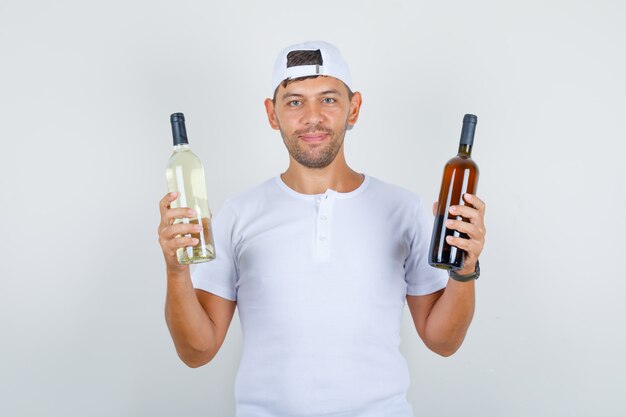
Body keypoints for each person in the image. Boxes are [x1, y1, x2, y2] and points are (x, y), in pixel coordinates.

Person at [157, 41, 487, 417]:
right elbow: (196, 352)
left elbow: (443, 342)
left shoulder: (404, 210)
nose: (312, 116)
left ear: (354, 108)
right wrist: (176, 270)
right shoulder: (238, 214)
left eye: (328, 100)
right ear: (272, 113)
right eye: (295, 101)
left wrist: (464, 272)